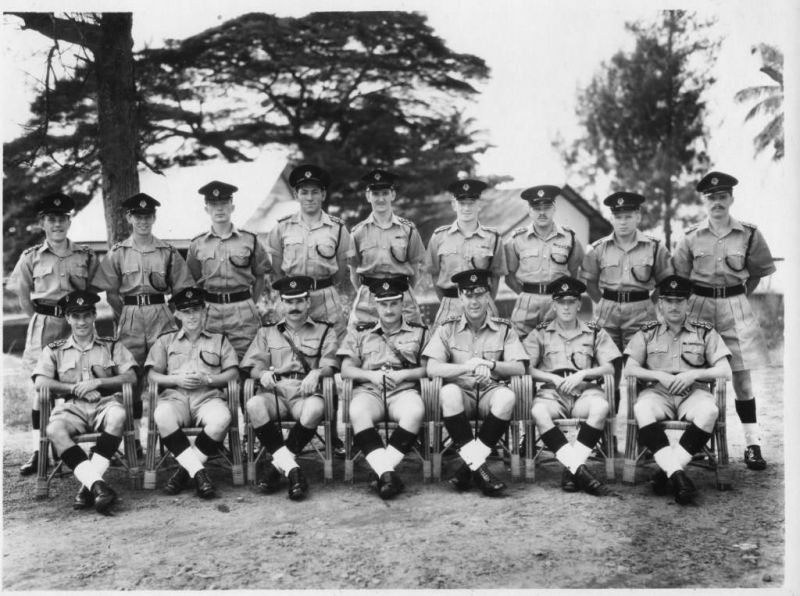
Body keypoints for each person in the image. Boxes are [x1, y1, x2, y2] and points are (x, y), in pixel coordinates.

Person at [672, 171, 775, 470]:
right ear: (703, 201)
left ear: (731, 198)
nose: (717, 202)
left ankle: (753, 444)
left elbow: (756, 274)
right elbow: (678, 276)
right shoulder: (690, 236)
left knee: (742, 379)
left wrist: (734, 297)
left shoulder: (749, 234)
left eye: (722, 197)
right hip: (699, 307)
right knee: (697, 375)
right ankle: (699, 444)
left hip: (735, 306)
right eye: (711, 197)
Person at [91, 193, 194, 455]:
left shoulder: (168, 252)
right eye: (138, 216)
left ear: (154, 218)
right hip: (130, 316)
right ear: (129, 218)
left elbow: (182, 289)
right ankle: (133, 439)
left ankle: (171, 439)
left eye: (148, 216)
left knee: (168, 376)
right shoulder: (118, 253)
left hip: (162, 314)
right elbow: (111, 291)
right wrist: (125, 314)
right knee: (132, 379)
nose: (143, 221)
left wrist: (167, 312)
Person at [9, 193, 98, 476]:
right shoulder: (31, 257)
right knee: (42, 389)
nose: (57, 224)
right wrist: (41, 319)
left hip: (77, 324)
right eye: (51, 219)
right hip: (46, 324)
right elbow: (23, 296)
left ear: (69, 221)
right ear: (43, 223)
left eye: (62, 219)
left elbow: (95, 290)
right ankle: (39, 452)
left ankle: (76, 445)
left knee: (80, 379)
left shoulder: (85, 255)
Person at [623, 275, 732, 505]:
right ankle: (678, 475)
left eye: (679, 301)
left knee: (709, 411)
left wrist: (694, 374)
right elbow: (630, 369)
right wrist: (657, 375)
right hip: (657, 393)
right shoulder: (646, 332)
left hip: (692, 392)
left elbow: (724, 370)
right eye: (668, 300)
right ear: (660, 303)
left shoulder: (705, 332)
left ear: (688, 303)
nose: (674, 306)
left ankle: (667, 473)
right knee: (642, 408)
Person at [423, 269, 527, 496]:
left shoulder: (504, 329)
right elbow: (432, 368)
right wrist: (466, 367)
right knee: (448, 392)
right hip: (462, 395)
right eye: (468, 295)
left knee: (507, 396)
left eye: (479, 294)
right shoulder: (447, 329)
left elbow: (519, 366)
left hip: (490, 391)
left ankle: (467, 469)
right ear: (460, 297)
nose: (474, 301)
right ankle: (480, 470)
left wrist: (490, 365)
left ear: (488, 296)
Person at [33, 290, 137, 514]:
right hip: (72, 407)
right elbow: (41, 382)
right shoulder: (54, 349)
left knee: (119, 415)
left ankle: (87, 487)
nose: (81, 322)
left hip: (105, 402)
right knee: (54, 429)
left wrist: (97, 382)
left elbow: (131, 377)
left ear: (94, 316)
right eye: (76, 316)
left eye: (86, 316)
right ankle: (97, 486)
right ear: (67, 318)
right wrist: (74, 389)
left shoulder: (111, 345)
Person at [240, 276, 339, 500]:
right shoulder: (266, 332)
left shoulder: (325, 331)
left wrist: (316, 372)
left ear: (308, 303)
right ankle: (292, 470)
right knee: (253, 404)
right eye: (289, 301)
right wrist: (262, 373)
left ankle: (275, 468)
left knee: (314, 409)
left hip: (305, 391)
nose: (294, 307)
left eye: (299, 301)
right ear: (281, 303)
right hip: (274, 392)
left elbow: (331, 365)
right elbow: (252, 367)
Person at [523, 276, 620, 496]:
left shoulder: (595, 331)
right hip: (552, 395)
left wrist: (584, 373)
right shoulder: (540, 332)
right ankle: (578, 469)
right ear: (554, 305)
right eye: (561, 302)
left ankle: (571, 468)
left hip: (585, 392)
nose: (566, 307)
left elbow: (609, 369)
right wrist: (551, 378)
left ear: (579, 304)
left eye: (571, 302)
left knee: (601, 407)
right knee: (538, 411)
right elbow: (525, 368)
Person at [338, 277, 428, 499]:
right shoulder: (360, 332)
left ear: (402, 304)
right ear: (376, 305)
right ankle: (387, 474)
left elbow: (428, 368)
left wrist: (402, 374)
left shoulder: (419, 332)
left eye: (394, 303)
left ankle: (381, 472)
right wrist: (371, 375)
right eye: (383, 304)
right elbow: (346, 369)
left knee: (415, 412)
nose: (388, 310)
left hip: (403, 391)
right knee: (357, 412)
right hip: (370, 391)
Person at [145, 288, 240, 499]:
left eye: (196, 309)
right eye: (185, 311)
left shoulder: (219, 340)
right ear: (176, 314)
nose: (192, 316)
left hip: (207, 397)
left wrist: (209, 379)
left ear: (204, 311)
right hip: (176, 397)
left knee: (222, 418)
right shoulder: (165, 341)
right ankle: (198, 472)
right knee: (162, 415)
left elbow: (233, 372)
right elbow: (152, 375)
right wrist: (175, 380)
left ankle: (184, 472)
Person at [581, 191, 672, 408]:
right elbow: (589, 281)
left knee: (641, 371)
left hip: (641, 310)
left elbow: (666, 281)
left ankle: (642, 432)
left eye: (628, 216)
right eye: (618, 216)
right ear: (611, 218)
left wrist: (650, 303)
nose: (623, 222)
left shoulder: (654, 246)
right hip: (608, 312)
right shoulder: (598, 248)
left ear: (638, 217)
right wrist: (601, 302)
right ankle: (609, 429)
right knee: (609, 372)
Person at [186, 180, 272, 359]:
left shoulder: (250, 240)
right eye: (214, 204)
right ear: (206, 209)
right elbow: (193, 281)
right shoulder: (197, 244)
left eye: (224, 204)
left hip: (242, 309)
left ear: (232, 207)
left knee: (247, 360)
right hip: (210, 311)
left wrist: (248, 303)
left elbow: (260, 277)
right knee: (211, 360)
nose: (219, 209)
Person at [266, 164, 353, 341]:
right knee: (291, 348)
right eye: (304, 192)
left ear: (323, 195)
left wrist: (322, 286)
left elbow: (341, 270)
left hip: (326, 298)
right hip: (293, 297)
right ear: (295, 195)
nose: (309, 197)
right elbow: (277, 269)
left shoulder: (337, 228)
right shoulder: (282, 228)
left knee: (333, 346)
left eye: (315, 192)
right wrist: (292, 290)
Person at [347, 169, 426, 328]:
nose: (381, 199)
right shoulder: (358, 233)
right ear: (368, 196)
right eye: (376, 194)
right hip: (369, 299)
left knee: (413, 340)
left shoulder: (408, 230)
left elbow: (415, 271)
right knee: (360, 343)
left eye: (385, 193)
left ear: (393, 195)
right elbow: (354, 273)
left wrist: (404, 291)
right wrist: (366, 293)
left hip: (402, 298)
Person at [504, 185, 584, 338]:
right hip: (526, 302)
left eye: (546, 207)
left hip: (558, 301)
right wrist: (526, 295)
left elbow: (574, 273)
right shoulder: (517, 240)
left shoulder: (569, 238)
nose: (542, 212)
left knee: (557, 346)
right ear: (530, 210)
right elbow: (509, 276)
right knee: (519, 346)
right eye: (536, 208)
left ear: (554, 208)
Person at [425, 179, 507, 329]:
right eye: (462, 203)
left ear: (479, 205)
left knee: (488, 348)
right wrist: (447, 302)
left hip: (482, 303)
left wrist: (487, 299)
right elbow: (434, 274)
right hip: (450, 304)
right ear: (453, 205)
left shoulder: (492, 237)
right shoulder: (439, 237)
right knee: (444, 349)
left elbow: (496, 276)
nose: (467, 208)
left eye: (471, 203)